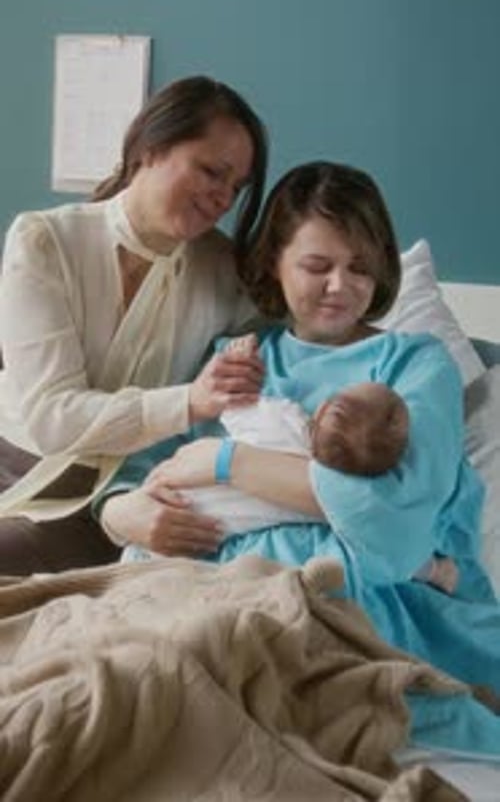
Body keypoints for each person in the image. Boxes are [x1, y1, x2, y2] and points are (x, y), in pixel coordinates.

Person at [97, 160, 500, 756]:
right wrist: (121, 512)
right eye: (318, 266)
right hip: (215, 583)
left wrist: (225, 463)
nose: (341, 285)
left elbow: (394, 527)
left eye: (360, 267)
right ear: (273, 263)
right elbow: (141, 469)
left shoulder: (414, 364)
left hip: (369, 599)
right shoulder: (235, 358)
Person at [0, 75, 269, 574]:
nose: (222, 198)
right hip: (16, 459)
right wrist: (187, 402)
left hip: (115, 489)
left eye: (235, 188)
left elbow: (294, 347)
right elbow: (51, 417)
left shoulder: (225, 271)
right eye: (212, 172)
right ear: (150, 148)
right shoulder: (45, 241)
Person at [121, 331, 458, 592]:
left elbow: (235, 404)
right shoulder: (332, 507)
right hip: (176, 527)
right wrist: (436, 571)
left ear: (324, 407)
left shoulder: (284, 420)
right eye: (316, 266)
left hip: (172, 524)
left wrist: (236, 361)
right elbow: (395, 548)